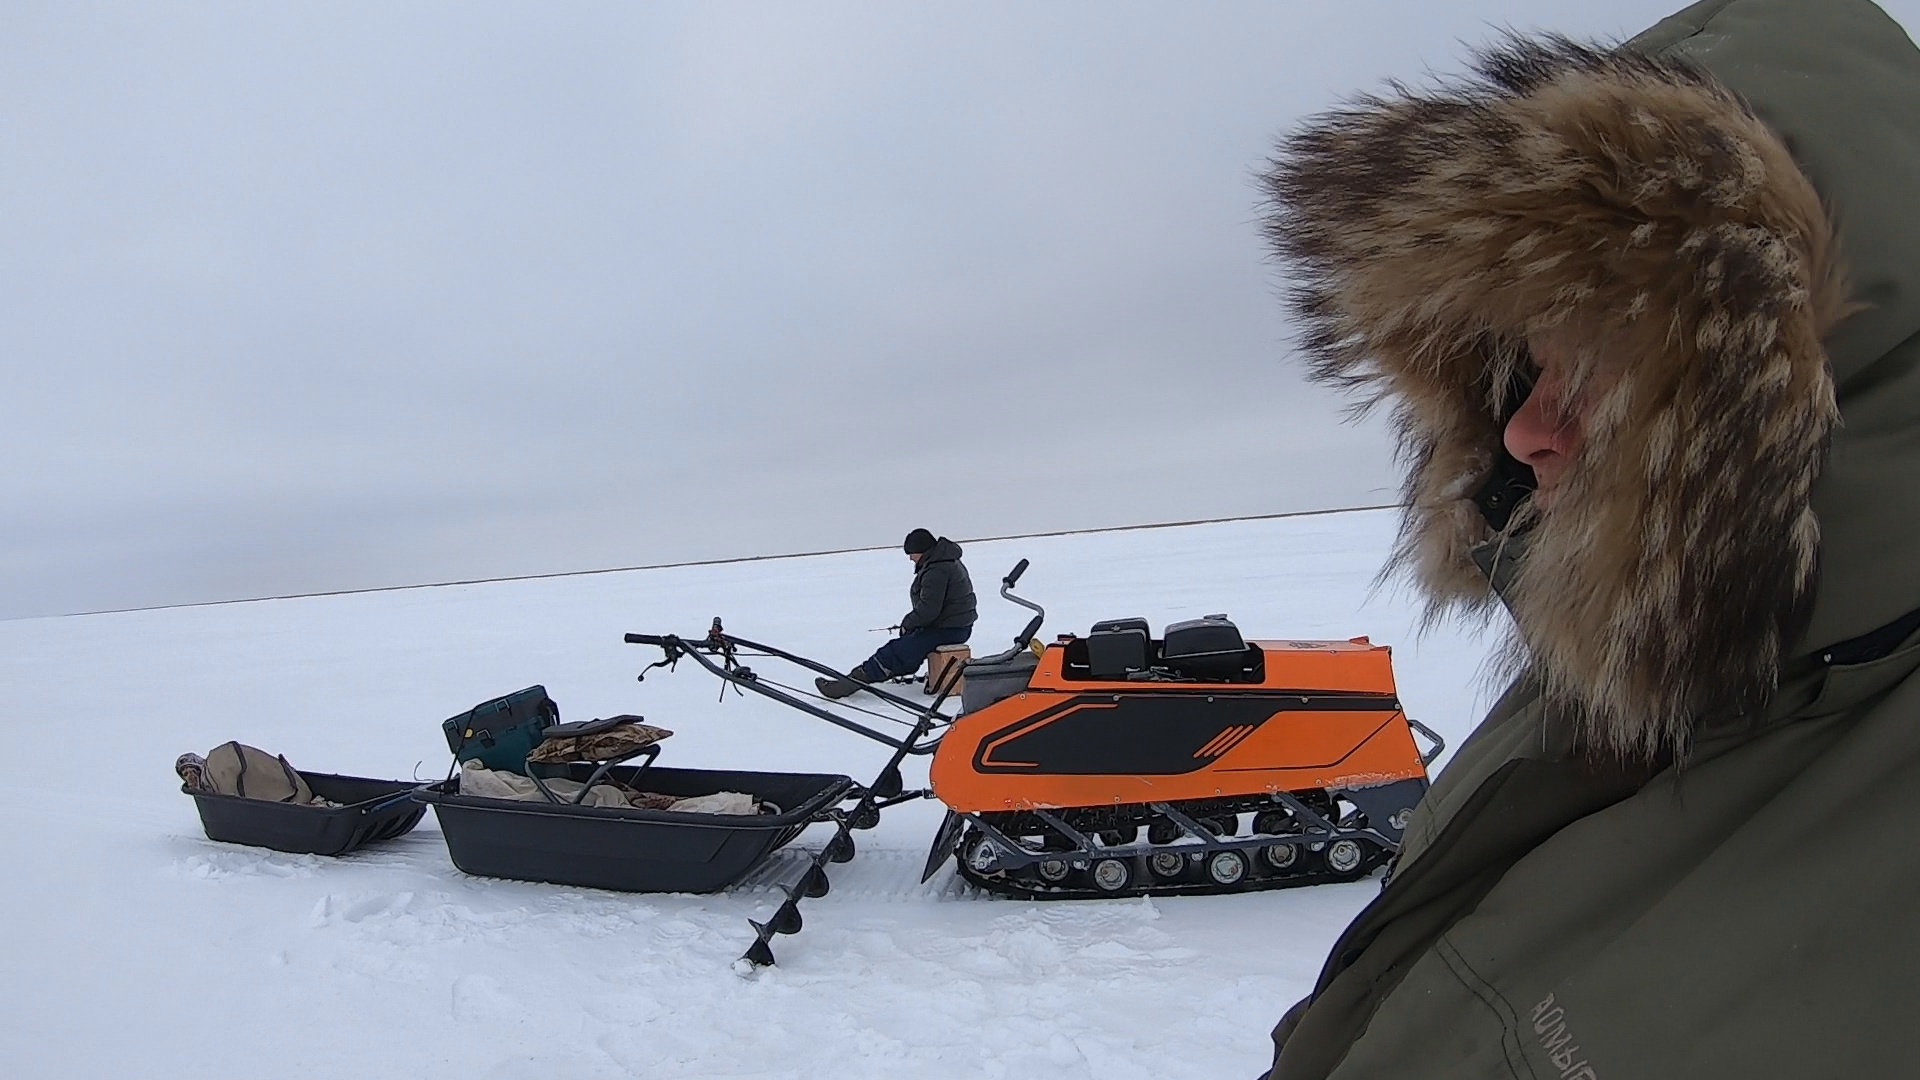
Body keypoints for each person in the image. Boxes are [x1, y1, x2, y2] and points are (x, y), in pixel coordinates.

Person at [1254, 1, 1920, 1076]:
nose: (1522, 428)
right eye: (1530, 360)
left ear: (1773, 396)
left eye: (1600, 359)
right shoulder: (1631, 676)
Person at [817, 529, 977, 699]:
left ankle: (849, 684)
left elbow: (929, 609)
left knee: (895, 652)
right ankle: (860, 677)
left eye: (911, 554)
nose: (910, 558)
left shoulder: (937, 570)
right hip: (952, 625)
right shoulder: (944, 561)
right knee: (905, 648)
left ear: (921, 551)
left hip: (950, 629)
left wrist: (908, 623)